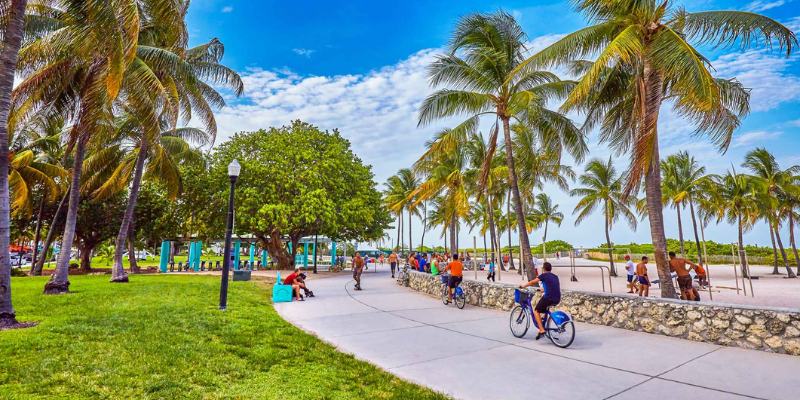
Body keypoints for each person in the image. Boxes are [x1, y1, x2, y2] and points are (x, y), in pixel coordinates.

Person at [519, 262, 560, 340]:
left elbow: (532, 282)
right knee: (543, 310)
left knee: (536, 311)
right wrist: (542, 289)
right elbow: (552, 286)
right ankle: (542, 328)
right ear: (550, 268)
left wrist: (523, 285)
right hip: (557, 298)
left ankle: (541, 330)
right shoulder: (555, 277)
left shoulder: (544, 275)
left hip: (548, 297)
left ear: (543, 269)